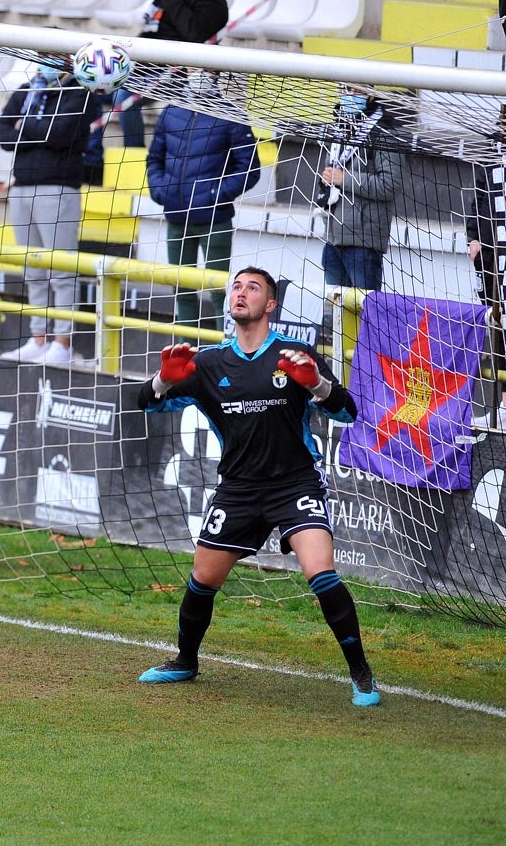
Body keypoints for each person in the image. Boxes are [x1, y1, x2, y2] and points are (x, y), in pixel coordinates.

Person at [136, 266, 380, 708]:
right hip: (239, 490)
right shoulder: (208, 364)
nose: (241, 293)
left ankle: (361, 674)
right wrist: (164, 380)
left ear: (270, 304)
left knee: (321, 573)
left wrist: (317, 385)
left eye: (253, 287)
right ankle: (185, 661)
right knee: (202, 579)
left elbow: (348, 413)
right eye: (236, 286)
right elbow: (147, 405)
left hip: (295, 484)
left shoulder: (295, 354)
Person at [0, 61, 99, 364]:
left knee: (62, 270)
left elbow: (59, 134)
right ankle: (38, 338)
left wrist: (24, 125)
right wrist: (37, 129)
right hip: (22, 186)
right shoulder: (27, 91)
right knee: (33, 268)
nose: (45, 63)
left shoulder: (79, 93)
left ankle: (62, 343)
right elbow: (3, 134)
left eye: (51, 55)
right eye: (41, 55)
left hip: (58, 188)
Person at [146, 92, 261, 329]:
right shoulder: (171, 109)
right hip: (176, 219)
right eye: (192, 68)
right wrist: (162, 191)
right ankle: (184, 357)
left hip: (214, 221)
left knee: (221, 292)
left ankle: (225, 356)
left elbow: (250, 168)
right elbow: (154, 158)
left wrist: (215, 195)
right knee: (181, 289)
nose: (197, 73)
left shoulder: (230, 112)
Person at [316, 86, 404, 295]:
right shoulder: (339, 129)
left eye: (355, 90)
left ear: (370, 95)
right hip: (333, 239)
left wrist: (344, 179)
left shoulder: (384, 133)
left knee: (365, 314)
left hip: (363, 244)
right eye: (344, 89)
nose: (348, 95)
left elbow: (390, 185)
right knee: (333, 315)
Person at [114, 0, 228, 149]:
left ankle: (134, 150)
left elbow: (195, 34)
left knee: (123, 96)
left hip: (182, 76)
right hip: (147, 69)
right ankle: (93, 159)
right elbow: (151, 34)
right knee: (94, 88)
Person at [465, 160, 506, 429]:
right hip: (493, 259)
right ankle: (504, 403)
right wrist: (474, 238)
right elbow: (478, 201)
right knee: (498, 325)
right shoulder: (492, 158)